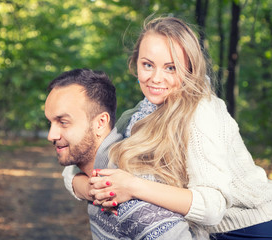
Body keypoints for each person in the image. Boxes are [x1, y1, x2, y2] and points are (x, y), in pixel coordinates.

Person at [65, 17, 272, 240]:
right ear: (135, 64)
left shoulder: (202, 110)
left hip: (260, 230)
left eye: (171, 68)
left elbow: (213, 207)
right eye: (148, 65)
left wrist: (131, 186)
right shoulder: (138, 115)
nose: (156, 78)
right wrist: (88, 187)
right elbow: (84, 165)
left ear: (189, 69)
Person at [45, 68, 195, 240]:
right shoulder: (98, 178)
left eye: (63, 122)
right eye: (50, 122)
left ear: (100, 123)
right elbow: (70, 175)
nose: (51, 135)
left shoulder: (129, 197)